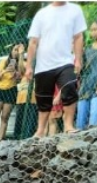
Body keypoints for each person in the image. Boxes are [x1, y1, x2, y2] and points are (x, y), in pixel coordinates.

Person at [25, 1, 86, 137]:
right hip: (43, 65)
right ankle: (40, 130)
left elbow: (78, 37)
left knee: (70, 86)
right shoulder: (41, 14)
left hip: (65, 61)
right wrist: (29, 66)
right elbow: (33, 42)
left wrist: (78, 59)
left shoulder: (75, 10)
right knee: (43, 98)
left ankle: (68, 125)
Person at [0, 43, 25, 142]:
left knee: (5, 117)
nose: (16, 52)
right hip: (0, 90)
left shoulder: (21, 63)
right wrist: (5, 71)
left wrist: (17, 74)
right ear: (11, 51)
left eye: (18, 50)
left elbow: (21, 75)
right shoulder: (4, 61)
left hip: (11, 90)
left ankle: (0, 141)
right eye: (15, 50)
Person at [76, 21, 97, 129]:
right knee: (80, 119)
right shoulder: (87, 50)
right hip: (85, 86)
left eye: (95, 29)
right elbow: (81, 71)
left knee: (94, 119)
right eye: (92, 29)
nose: (94, 32)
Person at [14, 74, 38, 139]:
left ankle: (28, 136)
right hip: (21, 99)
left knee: (30, 120)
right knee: (19, 119)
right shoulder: (21, 74)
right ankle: (17, 137)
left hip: (33, 99)